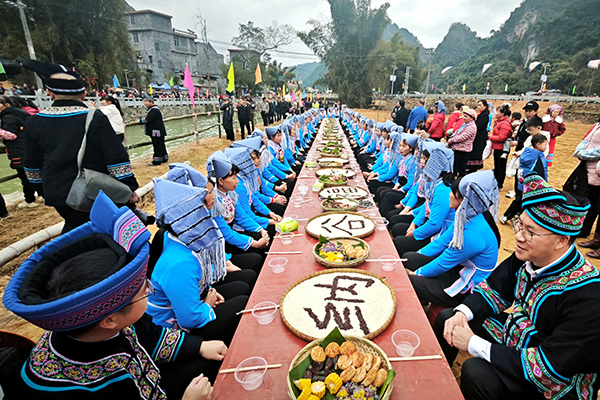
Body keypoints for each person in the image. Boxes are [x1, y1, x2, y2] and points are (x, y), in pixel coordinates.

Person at [3, 192, 223, 400]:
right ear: (109, 320)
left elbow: (152, 335)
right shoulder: (70, 390)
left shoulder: (107, 322)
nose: (149, 289)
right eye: (144, 290)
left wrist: (198, 346)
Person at [433, 173, 600, 400]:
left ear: (562, 240)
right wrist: (462, 312)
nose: (519, 237)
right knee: (448, 318)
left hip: (553, 378)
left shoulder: (589, 297)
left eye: (530, 232)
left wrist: (474, 344)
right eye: (519, 225)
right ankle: (437, 378)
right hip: (516, 336)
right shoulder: (529, 255)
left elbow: (550, 366)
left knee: (476, 373)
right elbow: (496, 289)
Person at [19, 59, 139, 233]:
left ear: (49, 93)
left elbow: (31, 165)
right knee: (104, 232)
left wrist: (42, 189)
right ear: (83, 94)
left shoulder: (33, 122)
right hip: (96, 193)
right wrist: (129, 189)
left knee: (76, 230)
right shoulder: (95, 118)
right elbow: (116, 158)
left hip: (59, 195)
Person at [148, 168, 256, 345]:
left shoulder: (179, 236)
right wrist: (207, 302)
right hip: (177, 331)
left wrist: (209, 292)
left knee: (243, 285)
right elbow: (189, 319)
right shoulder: (179, 263)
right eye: (206, 196)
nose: (212, 198)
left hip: (197, 298)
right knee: (242, 301)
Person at [404, 170, 500, 308]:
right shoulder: (468, 215)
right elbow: (443, 241)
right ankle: (423, 297)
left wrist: (416, 273)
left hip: (467, 287)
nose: (449, 195)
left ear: (464, 200)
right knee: (410, 258)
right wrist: (419, 255)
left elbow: (444, 262)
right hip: (456, 268)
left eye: (453, 193)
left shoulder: (473, 233)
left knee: (410, 281)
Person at [0, 95, 43, 208]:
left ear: (6, 105)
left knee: (25, 177)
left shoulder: (8, 117)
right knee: (35, 174)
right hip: (30, 148)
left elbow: (11, 135)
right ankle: (43, 195)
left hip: (19, 151)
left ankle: (30, 200)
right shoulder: (20, 113)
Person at [575, 118, 600, 250]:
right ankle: (584, 229)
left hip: (597, 173)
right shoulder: (597, 125)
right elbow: (585, 140)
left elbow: (598, 150)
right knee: (588, 201)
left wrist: (582, 154)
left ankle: (595, 238)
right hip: (586, 171)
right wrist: (578, 152)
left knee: (595, 204)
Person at [488, 103, 513, 190]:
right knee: (498, 166)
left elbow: (502, 137)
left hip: (502, 148)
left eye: (497, 112)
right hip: (498, 147)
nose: (495, 113)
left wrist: (490, 137)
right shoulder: (500, 122)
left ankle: (499, 184)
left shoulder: (504, 124)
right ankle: (496, 183)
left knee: (501, 166)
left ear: (502, 114)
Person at [447, 109, 477, 177]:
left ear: (472, 118)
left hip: (463, 149)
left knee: (461, 167)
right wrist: (452, 137)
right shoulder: (465, 124)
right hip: (457, 148)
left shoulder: (471, 127)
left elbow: (462, 137)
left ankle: (460, 181)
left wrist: (452, 140)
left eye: (466, 116)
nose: (464, 118)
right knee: (455, 165)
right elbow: (457, 132)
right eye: (464, 116)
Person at [140, 95, 168, 166]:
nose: (145, 103)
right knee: (160, 144)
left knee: (157, 145)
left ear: (151, 102)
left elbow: (148, 119)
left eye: (146, 101)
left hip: (156, 131)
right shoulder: (154, 109)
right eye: (144, 102)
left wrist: (140, 121)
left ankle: (157, 161)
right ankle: (164, 158)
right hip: (158, 131)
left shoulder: (154, 110)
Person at [466, 100, 490, 174]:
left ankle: (474, 168)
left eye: (480, 105)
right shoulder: (479, 114)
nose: (478, 107)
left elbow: (479, 126)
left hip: (480, 137)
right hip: (476, 136)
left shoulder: (485, 115)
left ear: (484, 106)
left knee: (476, 152)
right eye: (478, 105)